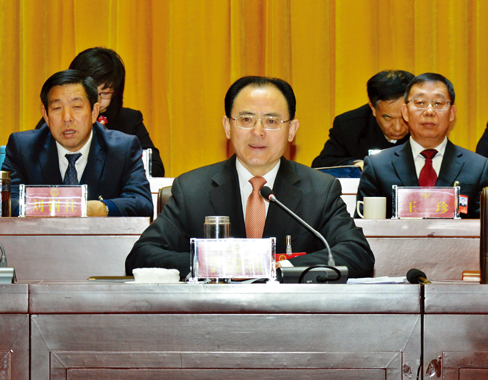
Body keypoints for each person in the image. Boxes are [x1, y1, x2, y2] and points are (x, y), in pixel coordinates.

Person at [126, 76, 374, 278]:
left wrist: (278, 267)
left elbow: (357, 253)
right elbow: (142, 255)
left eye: (271, 121)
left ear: (291, 130)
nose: (258, 131)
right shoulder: (192, 189)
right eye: (246, 119)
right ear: (227, 126)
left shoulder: (320, 189)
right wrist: (223, 265)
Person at [3, 70, 154, 217]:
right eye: (57, 108)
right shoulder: (23, 147)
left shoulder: (122, 148)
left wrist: (100, 208)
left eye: (76, 107)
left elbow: (142, 203)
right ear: (46, 116)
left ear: (94, 112)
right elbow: (6, 202)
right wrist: (58, 208)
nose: (67, 118)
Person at [357, 72, 488, 219]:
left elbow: (487, 227)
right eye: (420, 103)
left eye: (438, 103)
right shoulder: (378, 166)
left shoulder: (477, 168)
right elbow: (363, 226)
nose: (429, 111)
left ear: (452, 113)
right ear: (405, 112)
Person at [36, 47, 165, 177]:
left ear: (115, 93)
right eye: (89, 92)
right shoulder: (58, 118)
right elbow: (34, 163)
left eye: (104, 94)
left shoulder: (129, 120)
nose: (95, 100)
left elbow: (155, 168)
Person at [311, 70, 414, 169]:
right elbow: (321, 164)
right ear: (373, 108)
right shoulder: (349, 125)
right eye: (388, 118)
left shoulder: (423, 124)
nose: (397, 128)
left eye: (405, 117)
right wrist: (355, 164)